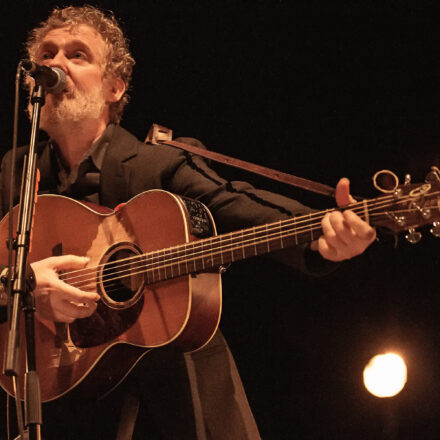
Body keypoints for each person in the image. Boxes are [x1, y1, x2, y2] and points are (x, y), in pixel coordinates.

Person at [0, 6, 376, 439]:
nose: (55, 64)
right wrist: (24, 282)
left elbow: (234, 202)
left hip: (179, 401)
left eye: (77, 54)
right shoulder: (19, 172)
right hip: (67, 405)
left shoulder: (154, 164)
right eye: (46, 54)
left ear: (114, 87)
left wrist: (320, 235)